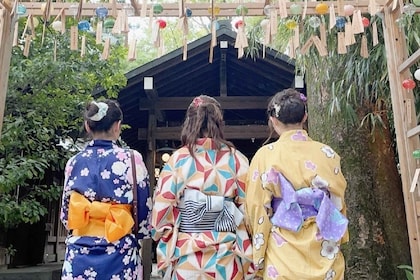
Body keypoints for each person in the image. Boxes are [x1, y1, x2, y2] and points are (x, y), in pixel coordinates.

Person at [245, 88, 349, 279]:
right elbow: (338, 201)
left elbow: (256, 207)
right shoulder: (328, 154)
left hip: (283, 245)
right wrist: (337, 234)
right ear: (305, 117)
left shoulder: (265, 156)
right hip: (322, 241)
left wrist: (258, 253)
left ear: (273, 120)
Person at [151, 95, 255, 279]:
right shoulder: (237, 159)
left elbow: (161, 209)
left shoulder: (178, 160)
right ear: (219, 122)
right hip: (226, 254)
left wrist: (162, 233)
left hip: (188, 257)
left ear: (189, 122)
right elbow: (249, 210)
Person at [60, 99, 152, 280]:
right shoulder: (132, 159)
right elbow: (143, 211)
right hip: (119, 249)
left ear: (88, 126)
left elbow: (66, 214)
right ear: (117, 126)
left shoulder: (74, 162)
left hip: (80, 251)